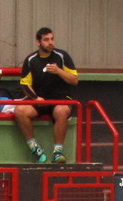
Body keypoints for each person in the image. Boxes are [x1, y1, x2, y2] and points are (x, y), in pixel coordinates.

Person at [15, 27, 78, 164]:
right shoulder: (31, 60)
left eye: (52, 39)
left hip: (61, 98)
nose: (50, 42)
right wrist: (36, 98)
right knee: (20, 111)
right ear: (38, 42)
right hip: (40, 99)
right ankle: (35, 148)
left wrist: (59, 71)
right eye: (46, 40)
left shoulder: (62, 56)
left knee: (61, 111)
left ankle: (58, 152)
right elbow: (25, 85)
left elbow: (74, 80)